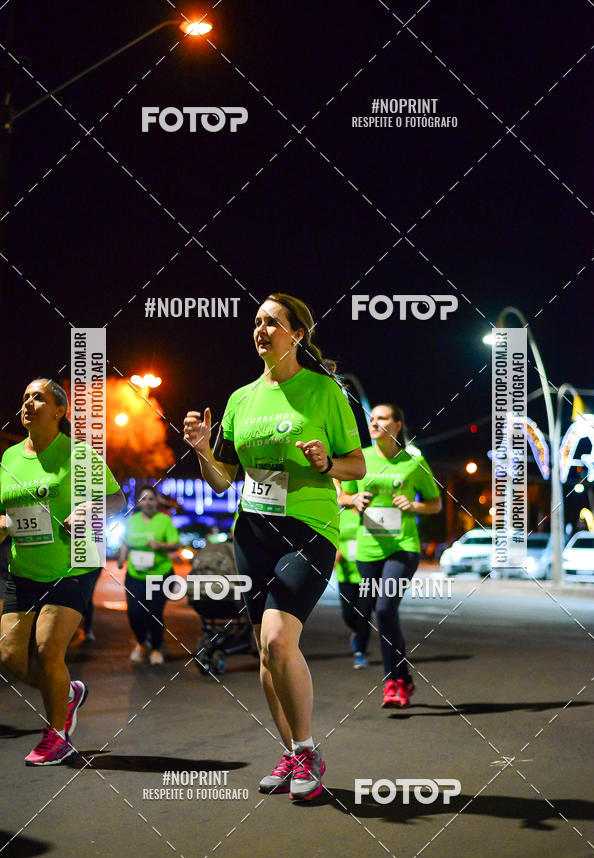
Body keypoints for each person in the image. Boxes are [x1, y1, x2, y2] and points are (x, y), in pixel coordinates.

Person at [184, 293, 365, 801]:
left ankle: (307, 752)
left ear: (297, 334)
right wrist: (202, 450)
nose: (260, 330)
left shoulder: (323, 391)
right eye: (256, 322)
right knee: (266, 650)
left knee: (280, 640)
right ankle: (289, 751)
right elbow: (223, 480)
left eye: (271, 322)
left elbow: (358, 465)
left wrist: (327, 463)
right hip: (253, 534)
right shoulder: (241, 399)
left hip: (308, 530)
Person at [0, 379, 124, 765]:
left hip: (71, 567)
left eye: (38, 397)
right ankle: (67, 693)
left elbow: (118, 498)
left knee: (47, 649)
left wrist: (90, 509)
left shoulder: (79, 454)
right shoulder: (9, 459)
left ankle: (57, 737)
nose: (28, 403)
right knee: (9, 656)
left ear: (59, 411)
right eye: (25, 397)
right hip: (22, 569)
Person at [338, 404, 441, 709]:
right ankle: (403, 677)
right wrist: (354, 499)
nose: (374, 423)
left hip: (402, 547)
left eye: (381, 418)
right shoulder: (361, 458)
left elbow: (435, 503)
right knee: (381, 613)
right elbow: (342, 495)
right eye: (371, 419)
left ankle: (392, 682)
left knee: (384, 610)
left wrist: (414, 506)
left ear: (396, 425)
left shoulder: (413, 460)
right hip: (368, 549)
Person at [117, 485, 180, 665]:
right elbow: (125, 543)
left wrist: (160, 545)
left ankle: (156, 648)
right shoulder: (131, 521)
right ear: (138, 502)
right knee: (134, 612)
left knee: (154, 612)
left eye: (151, 498)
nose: (148, 502)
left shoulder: (164, 520)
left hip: (160, 575)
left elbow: (175, 544)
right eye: (143, 499)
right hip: (135, 575)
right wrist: (121, 559)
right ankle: (142, 643)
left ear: (156, 501)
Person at [335, 505, 371, 669]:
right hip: (346, 574)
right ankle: (358, 633)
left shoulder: (371, 514)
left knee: (364, 615)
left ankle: (360, 653)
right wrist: (335, 551)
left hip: (367, 574)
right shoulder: (342, 514)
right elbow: (332, 536)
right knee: (348, 614)